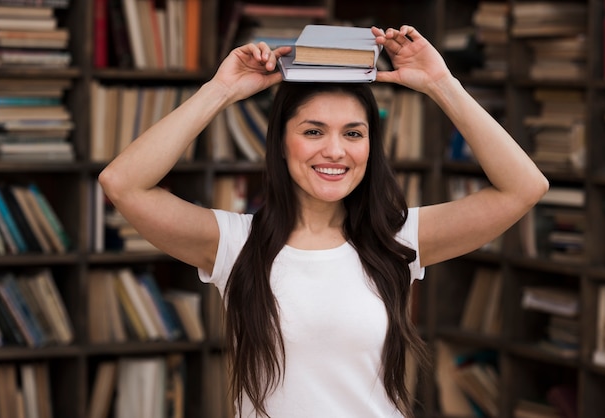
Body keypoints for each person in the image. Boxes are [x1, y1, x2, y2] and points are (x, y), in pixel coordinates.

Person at [98, 25, 549, 418]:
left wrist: (440, 84)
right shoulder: (234, 244)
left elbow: (524, 187)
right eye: (313, 131)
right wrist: (221, 91)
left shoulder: (398, 240)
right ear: (281, 143)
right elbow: (123, 183)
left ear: (370, 147)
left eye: (353, 133)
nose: (335, 151)